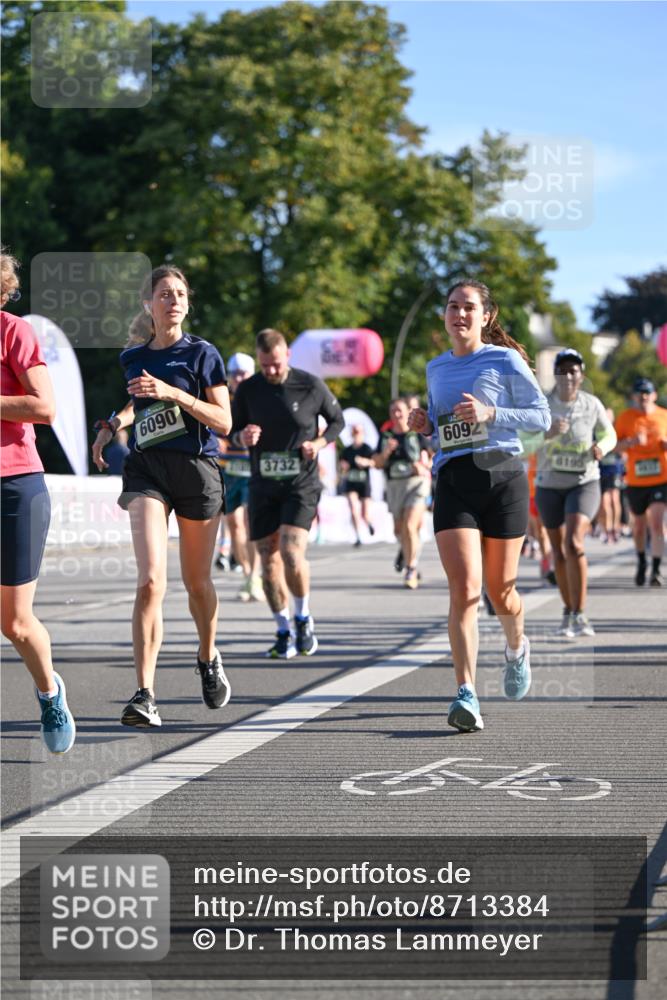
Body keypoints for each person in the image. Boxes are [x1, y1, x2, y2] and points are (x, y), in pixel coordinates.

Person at [92, 265, 232, 727]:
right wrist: (114, 423)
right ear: (147, 305)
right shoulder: (134, 358)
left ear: (187, 304)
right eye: (163, 294)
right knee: (151, 580)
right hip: (147, 470)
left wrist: (176, 393)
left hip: (197, 472)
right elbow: (138, 402)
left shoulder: (203, 354)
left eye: (179, 294)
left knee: (197, 584)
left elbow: (224, 421)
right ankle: (145, 694)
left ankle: (208, 655)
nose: (172, 300)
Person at [408, 279, 550, 733]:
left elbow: (542, 417)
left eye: (469, 307)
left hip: (503, 476)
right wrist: (423, 423)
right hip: (454, 480)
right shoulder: (435, 367)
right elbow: (441, 425)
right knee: (465, 590)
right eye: (453, 307)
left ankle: (516, 648)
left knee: (500, 591)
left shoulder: (504, 359)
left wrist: (493, 414)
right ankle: (466, 692)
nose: (460, 314)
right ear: (445, 315)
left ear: (486, 316)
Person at [1, 248, 76, 753]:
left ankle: (49, 692)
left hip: (15, 486)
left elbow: (44, 407)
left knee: (15, 622)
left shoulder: (13, 331)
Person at [230, 328, 345, 658]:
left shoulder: (309, 384)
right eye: (264, 366)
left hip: (301, 484)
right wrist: (243, 438)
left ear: (287, 357)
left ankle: (303, 617)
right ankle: (282, 628)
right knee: (268, 565)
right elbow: (232, 430)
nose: (270, 371)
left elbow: (336, 421)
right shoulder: (249, 390)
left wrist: (319, 443)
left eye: (276, 365)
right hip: (263, 485)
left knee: (293, 553)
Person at [534, 349, 617, 638]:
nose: (568, 376)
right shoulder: (542, 404)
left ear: (581, 376)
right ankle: (569, 612)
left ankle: (581, 614)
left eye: (574, 371)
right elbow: (522, 440)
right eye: (563, 370)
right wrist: (546, 433)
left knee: (574, 542)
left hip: (584, 482)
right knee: (558, 551)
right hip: (548, 485)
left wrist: (601, 448)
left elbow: (610, 434)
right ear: (556, 374)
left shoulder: (591, 404)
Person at [217, 352, 265, 602]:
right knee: (234, 524)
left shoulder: (260, 397)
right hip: (229, 469)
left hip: (254, 469)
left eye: (243, 373)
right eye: (234, 374)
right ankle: (247, 574)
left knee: (251, 523)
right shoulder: (223, 398)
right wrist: (218, 440)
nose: (239, 378)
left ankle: (255, 575)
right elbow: (214, 426)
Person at [615, 377, 667, 587]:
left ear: (654, 395)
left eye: (647, 392)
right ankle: (642, 561)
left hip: (661, 478)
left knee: (656, 522)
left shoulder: (664, 415)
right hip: (636, 480)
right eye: (639, 393)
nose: (643, 397)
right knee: (638, 527)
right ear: (634, 396)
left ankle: (655, 569)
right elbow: (614, 446)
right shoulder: (626, 418)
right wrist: (630, 442)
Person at [374, 398, 431, 588]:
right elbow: (377, 463)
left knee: (409, 525)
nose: (396, 415)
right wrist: (386, 453)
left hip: (416, 484)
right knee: (399, 530)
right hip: (394, 485)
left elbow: (431, 457)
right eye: (393, 412)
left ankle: (411, 568)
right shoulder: (386, 436)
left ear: (408, 412)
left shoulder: (416, 434)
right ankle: (407, 551)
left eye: (400, 411)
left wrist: (423, 466)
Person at [339, 423, 375, 546]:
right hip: (351, 482)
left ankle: (369, 523)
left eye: (358, 432)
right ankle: (358, 535)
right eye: (354, 432)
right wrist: (343, 467)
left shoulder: (367, 448)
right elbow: (342, 465)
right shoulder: (347, 450)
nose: (356, 434)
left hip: (364, 482)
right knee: (353, 508)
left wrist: (365, 462)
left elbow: (374, 462)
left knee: (365, 513)